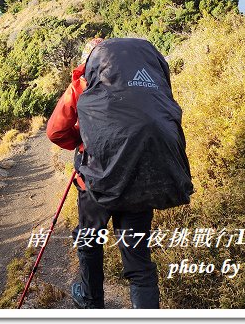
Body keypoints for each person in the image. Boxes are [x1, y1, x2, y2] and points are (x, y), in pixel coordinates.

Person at [47, 37, 192, 309]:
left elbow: (55, 131)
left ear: (90, 61)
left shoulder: (82, 83)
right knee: (137, 258)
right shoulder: (146, 85)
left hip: (96, 182)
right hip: (142, 178)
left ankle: (92, 303)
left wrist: (86, 139)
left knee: (90, 241)